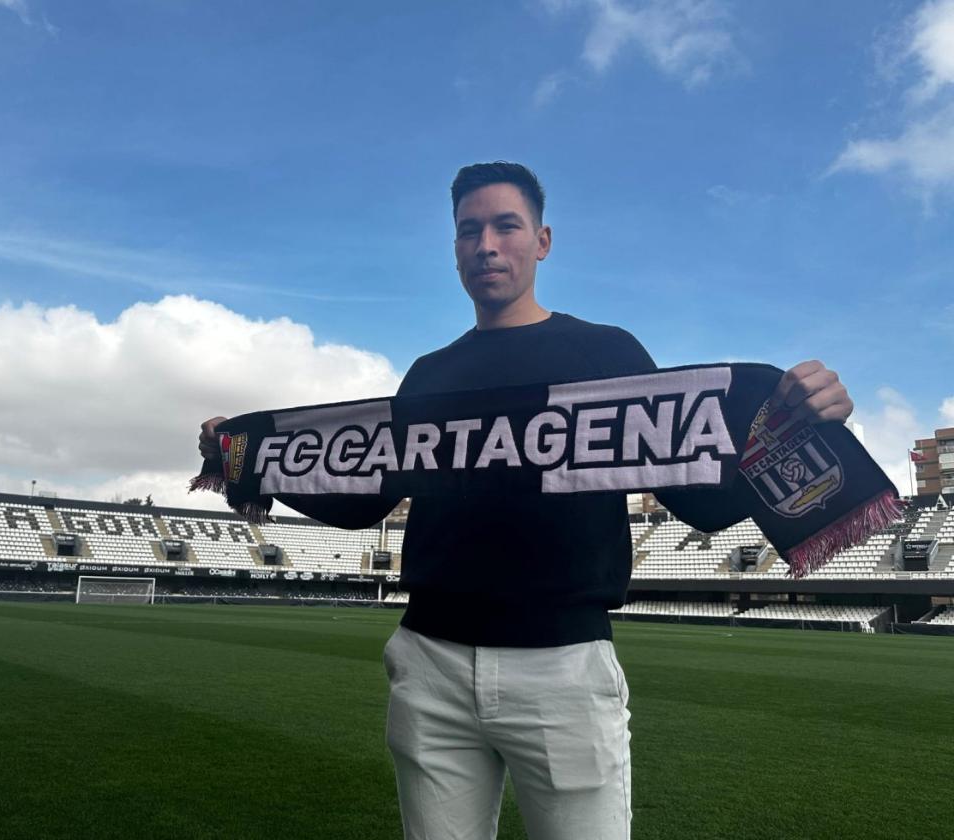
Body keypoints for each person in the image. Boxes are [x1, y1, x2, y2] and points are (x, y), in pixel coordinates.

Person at [198, 162, 853, 840]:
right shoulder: (430, 376)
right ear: (454, 249)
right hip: (431, 663)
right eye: (468, 231)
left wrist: (799, 420)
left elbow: (698, 496)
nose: (486, 245)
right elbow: (367, 495)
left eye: (505, 226)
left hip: (563, 669)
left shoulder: (605, 352)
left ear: (541, 240)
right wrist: (250, 463)